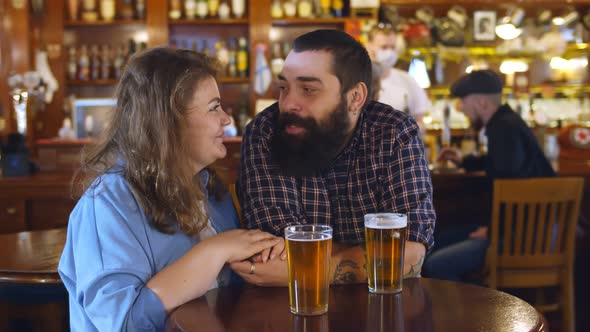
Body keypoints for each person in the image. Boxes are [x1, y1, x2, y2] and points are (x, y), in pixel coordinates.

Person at [58, 48, 284, 331]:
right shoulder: (107, 204)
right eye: (214, 108)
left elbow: (228, 290)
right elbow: (124, 324)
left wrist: (262, 257)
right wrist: (214, 251)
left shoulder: (210, 188)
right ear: (169, 121)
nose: (226, 119)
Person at [231, 29, 436, 286]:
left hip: (384, 311)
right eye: (283, 87)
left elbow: (411, 255)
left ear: (355, 97)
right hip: (291, 311)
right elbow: (274, 256)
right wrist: (374, 257)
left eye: (308, 89)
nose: (288, 103)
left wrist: (314, 268)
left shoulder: (393, 132)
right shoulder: (266, 132)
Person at [423, 69, 556, 282]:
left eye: (463, 101)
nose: (461, 109)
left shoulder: (502, 129)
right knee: (440, 238)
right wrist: (465, 161)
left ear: (481, 103)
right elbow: (505, 167)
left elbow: (511, 186)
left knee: (436, 264)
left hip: (525, 237)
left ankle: (469, 314)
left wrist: (493, 230)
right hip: (531, 229)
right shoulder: (507, 122)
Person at [364, 23, 431, 131]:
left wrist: (404, 133)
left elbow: (420, 122)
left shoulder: (408, 81)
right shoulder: (359, 80)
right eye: (384, 47)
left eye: (393, 47)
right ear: (369, 46)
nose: (389, 52)